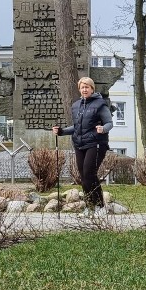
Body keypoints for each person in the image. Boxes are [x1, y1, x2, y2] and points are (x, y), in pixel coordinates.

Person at [52, 77, 113, 217]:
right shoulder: (76, 105)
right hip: (80, 144)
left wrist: (103, 129)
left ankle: (100, 207)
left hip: (96, 144)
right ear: (79, 89)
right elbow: (77, 127)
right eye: (82, 87)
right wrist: (61, 131)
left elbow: (109, 123)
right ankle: (90, 206)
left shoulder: (100, 104)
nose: (85, 89)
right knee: (84, 177)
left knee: (89, 174)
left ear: (92, 88)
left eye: (87, 87)